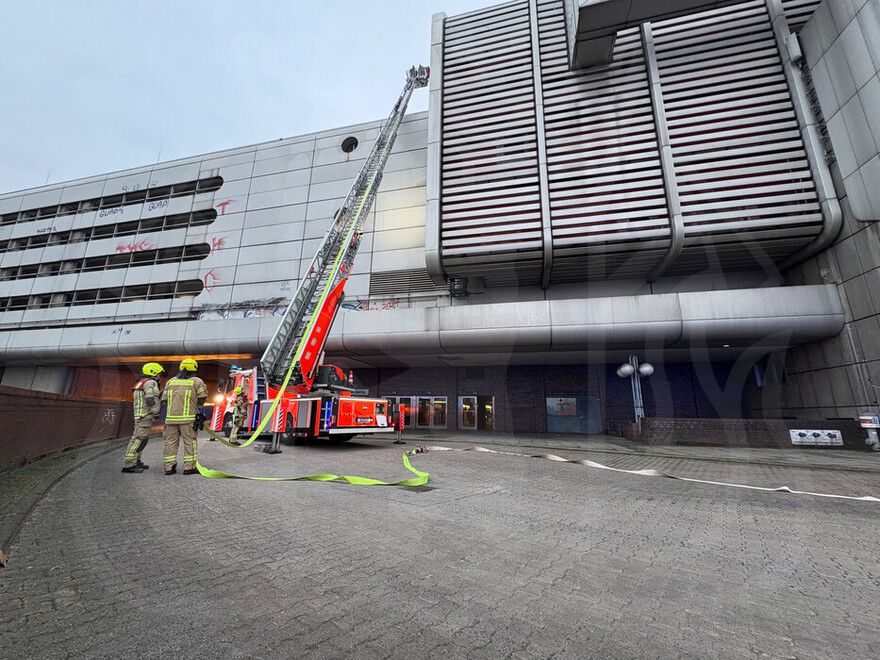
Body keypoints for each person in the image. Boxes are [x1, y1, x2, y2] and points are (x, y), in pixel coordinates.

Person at [161, 357, 208, 475]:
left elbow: (164, 399)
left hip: (171, 420)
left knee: (170, 443)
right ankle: (189, 467)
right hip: (188, 420)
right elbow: (202, 398)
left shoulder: (170, 382)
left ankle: (169, 468)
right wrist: (195, 405)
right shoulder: (197, 382)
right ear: (194, 368)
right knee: (190, 443)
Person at [121, 362, 164, 473]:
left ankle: (136, 461)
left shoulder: (141, 382)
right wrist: (156, 413)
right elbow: (150, 399)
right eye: (159, 374)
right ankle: (129, 465)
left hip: (141, 415)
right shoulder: (150, 382)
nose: (159, 376)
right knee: (138, 439)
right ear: (153, 373)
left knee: (142, 439)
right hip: (144, 416)